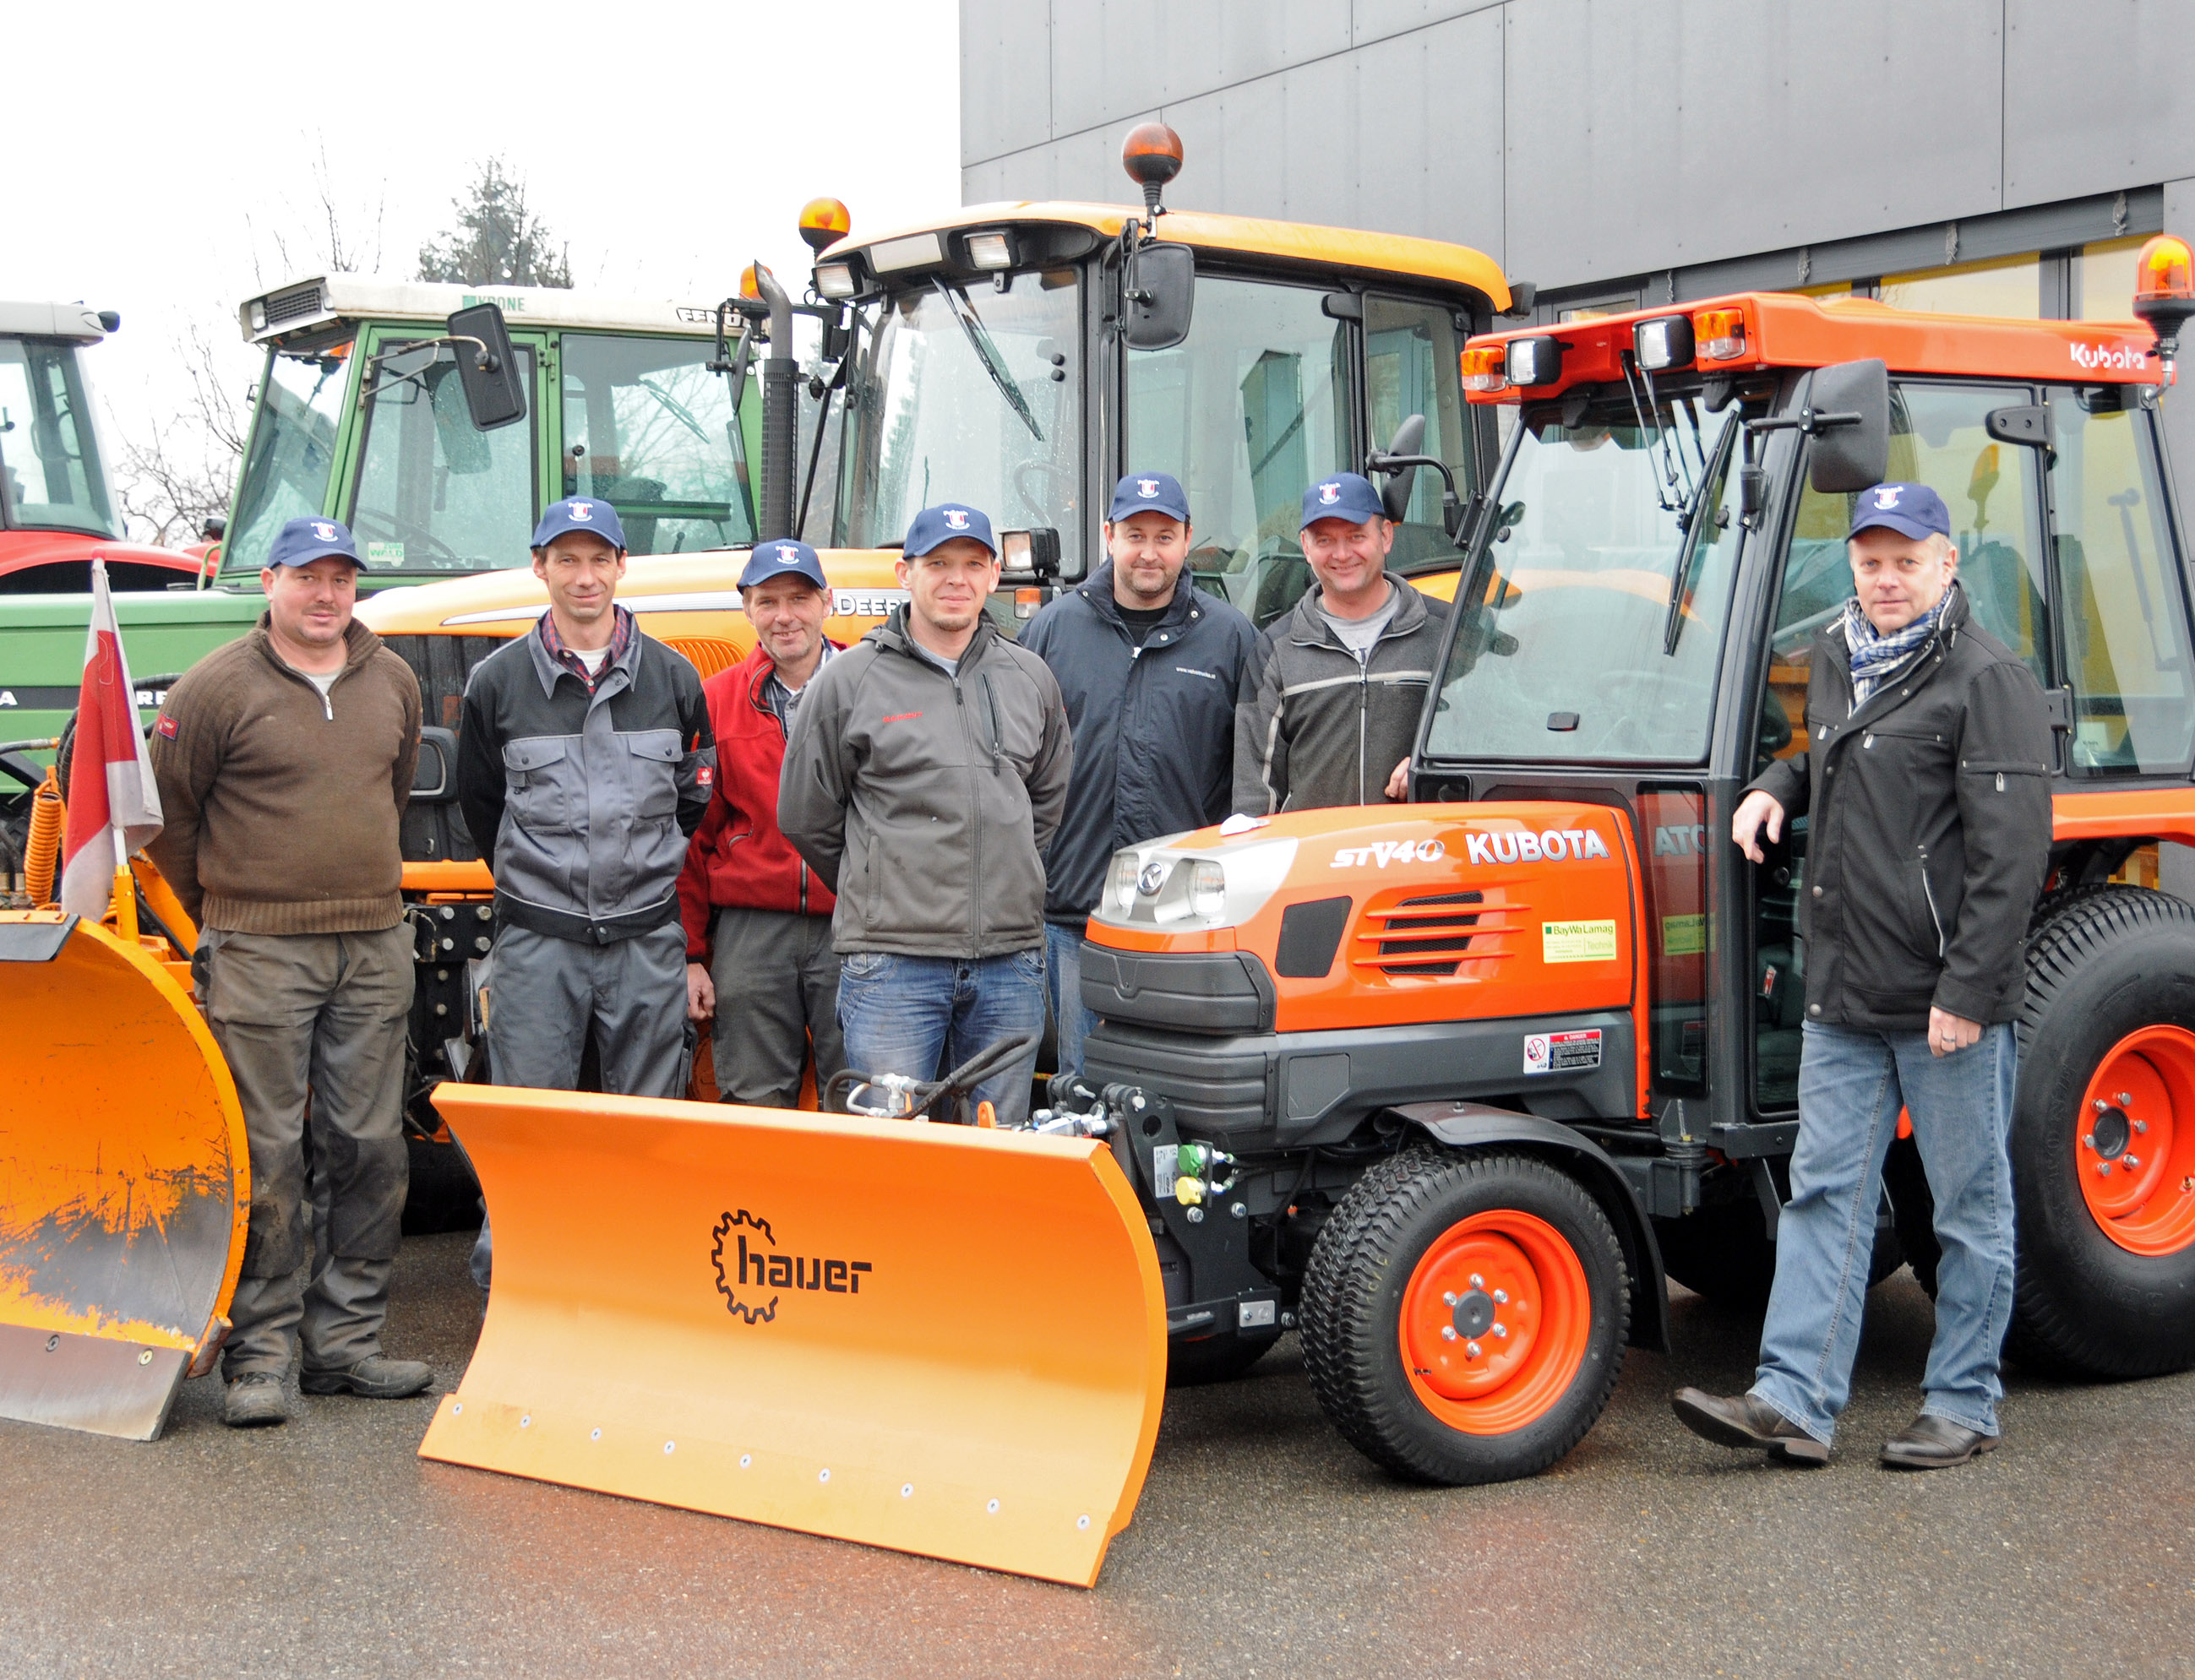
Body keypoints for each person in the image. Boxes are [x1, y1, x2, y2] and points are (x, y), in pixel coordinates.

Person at [1674, 481, 2052, 1471]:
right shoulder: (1839, 655)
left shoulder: (1987, 679)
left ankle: (1964, 1402)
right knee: (1823, 1197)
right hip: (1844, 988)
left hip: (1942, 1001)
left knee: (1967, 1206)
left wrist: (1967, 993)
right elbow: (1840, 761)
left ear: (1946, 562)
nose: (1887, 579)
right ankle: (1793, 1401)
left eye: (1906, 561)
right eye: (1871, 561)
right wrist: (1776, 783)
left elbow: (2012, 857)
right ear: (1852, 564)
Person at [148, 516, 429, 1427]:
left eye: (341, 578)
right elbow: (171, 821)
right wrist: (225, 916)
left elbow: (389, 796)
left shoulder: (393, 680)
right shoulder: (215, 688)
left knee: (370, 1147)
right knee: (267, 1153)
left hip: (373, 944)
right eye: (308, 576)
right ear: (269, 581)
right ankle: (260, 1358)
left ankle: (344, 1347)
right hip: (259, 951)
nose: (326, 594)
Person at [455, 497, 714, 1283]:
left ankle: (640, 1296)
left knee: (648, 1134)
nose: (584, 575)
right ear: (540, 567)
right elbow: (483, 806)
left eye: (599, 558)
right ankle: (523, 1300)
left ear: (621, 566)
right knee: (532, 1136)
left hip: (645, 944)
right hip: (540, 946)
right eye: (566, 559)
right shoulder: (497, 683)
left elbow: (692, 800)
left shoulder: (674, 678)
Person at [779, 502, 1072, 1125]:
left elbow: (1044, 802)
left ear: (994, 576)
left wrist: (1003, 872)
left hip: (1009, 964)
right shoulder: (850, 681)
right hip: (893, 966)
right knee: (893, 1151)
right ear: (904, 573)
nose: (955, 579)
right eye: (937, 563)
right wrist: (880, 881)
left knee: (999, 1146)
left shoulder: (1030, 677)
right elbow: (806, 814)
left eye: (972, 564)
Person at [1020, 470, 1256, 1072]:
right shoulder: (1051, 632)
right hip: (1077, 912)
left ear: (1187, 540)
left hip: (1189, 920)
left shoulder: (1230, 638)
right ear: (1109, 537)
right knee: (1084, 1084)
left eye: (1164, 536)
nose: (1149, 552)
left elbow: (1257, 770)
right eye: (1135, 535)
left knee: (1182, 1087)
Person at [677, 539, 847, 1106]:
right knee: (753, 1100)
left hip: (854, 922)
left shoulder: (872, 685)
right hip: (752, 932)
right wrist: (690, 954)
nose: (784, 616)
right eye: (767, 601)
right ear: (747, 608)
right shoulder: (715, 700)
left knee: (864, 1097)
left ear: (827, 602)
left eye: (799, 598)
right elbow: (691, 837)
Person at [1232, 472, 1450, 814]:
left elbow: (1493, 737)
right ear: (1306, 547)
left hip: (1421, 843)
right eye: (1325, 541)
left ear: (1386, 536)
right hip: (1318, 848)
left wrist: (1434, 764)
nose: (1342, 554)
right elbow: (1255, 795)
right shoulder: (1276, 649)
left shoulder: (1447, 632)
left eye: (1356, 536)